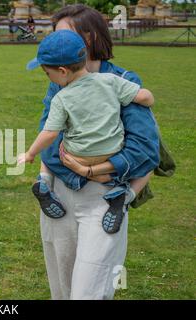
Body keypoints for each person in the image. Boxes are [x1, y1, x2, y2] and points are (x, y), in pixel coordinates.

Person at [25, 4, 174, 300]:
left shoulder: (121, 82)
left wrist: (95, 170)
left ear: (89, 38)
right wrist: (80, 169)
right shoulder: (59, 83)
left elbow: (145, 151)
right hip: (59, 195)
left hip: (105, 200)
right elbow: (50, 143)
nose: (56, 45)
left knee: (89, 292)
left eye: (64, 36)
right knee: (63, 290)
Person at [18, 29, 155, 234]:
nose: (49, 78)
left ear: (63, 71)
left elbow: (49, 134)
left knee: (58, 140)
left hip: (77, 157)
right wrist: (149, 99)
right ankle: (123, 194)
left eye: (48, 73)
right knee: (148, 166)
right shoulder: (110, 80)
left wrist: (29, 154)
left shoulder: (62, 98)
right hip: (110, 153)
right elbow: (144, 97)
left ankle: (45, 181)